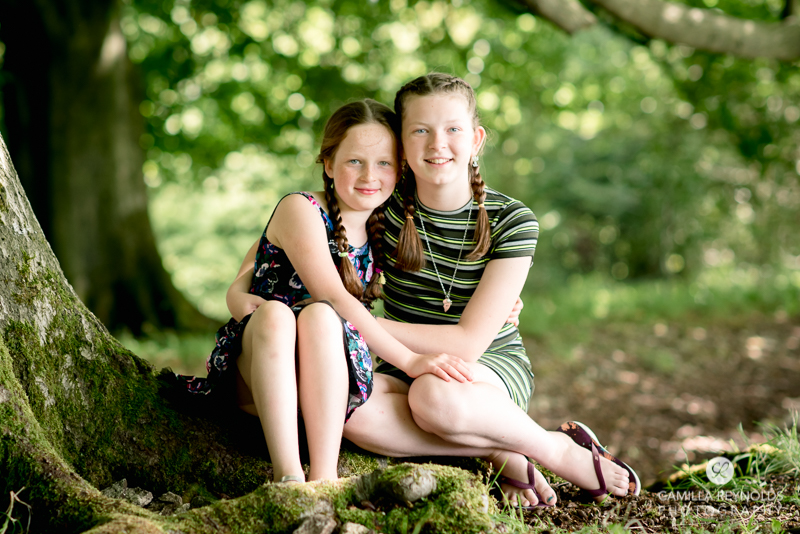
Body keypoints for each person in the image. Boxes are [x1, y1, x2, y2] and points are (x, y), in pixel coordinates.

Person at [342, 73, 641, 506]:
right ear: (401, 144)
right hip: (402, 363)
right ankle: (500, 450)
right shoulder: (378, 210)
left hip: (487, 367)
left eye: (453, 129)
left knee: (432, 396)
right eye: (420, 130)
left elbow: (468, 344)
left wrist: (359, 323)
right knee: (348, 410)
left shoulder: (512, 220)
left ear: (476, 139)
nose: (437, 144)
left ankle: (556, 451)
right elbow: (312, 235)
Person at [181, 99, 471, 484]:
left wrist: (499, 301)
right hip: (260, 373)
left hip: (326, 383)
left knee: (324, 320)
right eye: (355, 161)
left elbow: (439, 279)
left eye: (384, 163)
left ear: (400, 168)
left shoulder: (386, 229)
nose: (369, 175)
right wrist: (409, 359)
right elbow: (326, 292)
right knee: (286, 314)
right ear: (329, 164)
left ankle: (324, 478)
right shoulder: (301, 209)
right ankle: (288, 478)